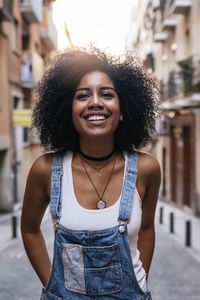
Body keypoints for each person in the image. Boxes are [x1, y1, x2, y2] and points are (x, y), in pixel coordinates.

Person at [21, 46, 161, 300]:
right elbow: (30, 229)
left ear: (123, 110)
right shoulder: (45, 170)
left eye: (106, 94)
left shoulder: (146, 168)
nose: (95, 102)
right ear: (68, 109)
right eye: (83, 95)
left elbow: (148, 229)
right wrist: (52, 285)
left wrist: (140, 284)